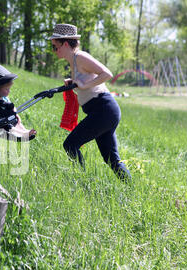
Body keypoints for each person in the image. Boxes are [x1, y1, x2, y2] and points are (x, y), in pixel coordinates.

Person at [50, 23, 131, 181]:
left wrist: (84, 85)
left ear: (65, 43)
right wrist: (74, 82)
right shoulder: (74, 61)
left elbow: (106, 73)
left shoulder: (80, 57)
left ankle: (82, 182)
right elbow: (88, 81)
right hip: (103, 111)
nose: (54, 51)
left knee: (70, 145)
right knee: (111, 159)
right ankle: (131, 189)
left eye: (55, 46)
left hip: (104, 109)